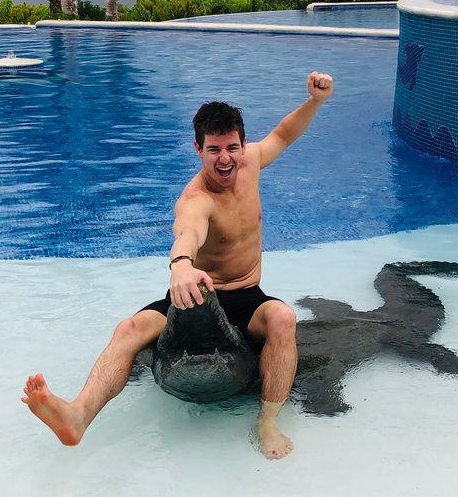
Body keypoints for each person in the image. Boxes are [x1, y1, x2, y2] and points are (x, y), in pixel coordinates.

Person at [23, 70, 334, 459]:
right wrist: (181, 265)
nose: (225, 159)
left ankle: (267, 422)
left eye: (232, 148)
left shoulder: (250, 162)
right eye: (214, 150)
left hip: (246, 297)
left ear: (242, 144)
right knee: (129, 328)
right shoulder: (196, 197)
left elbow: (285, 134)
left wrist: (316, 101)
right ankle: (78, 415)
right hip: (197, 295)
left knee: (284, 318)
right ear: (198, 149)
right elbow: (188, 232)